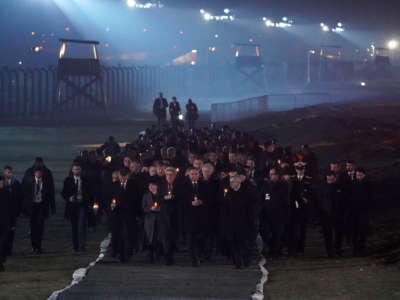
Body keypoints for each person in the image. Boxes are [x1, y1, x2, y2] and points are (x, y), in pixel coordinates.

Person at [220, 175, 252, 269]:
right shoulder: (228, 194)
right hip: (231, 224)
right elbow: (224, 209)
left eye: (233, 182)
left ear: (238, 183)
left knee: (244, 244)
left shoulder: (246, 193)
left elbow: (250, 209)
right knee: (233, 244)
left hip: (243, 223)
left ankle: (246, 260)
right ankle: (237, 262)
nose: (231, 184)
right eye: (230, 182)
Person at [22, 167, 56, 254]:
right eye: (37, 172)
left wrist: (52, 208)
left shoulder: (45, 183)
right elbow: (25, 196)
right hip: (33, 207)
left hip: (42, 206)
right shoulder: (30, 182)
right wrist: (24, 209)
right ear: (34, 173)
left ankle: (39, 246)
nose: (38, 174)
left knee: (40, 227)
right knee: (33, 227)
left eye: (40, 172)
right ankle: (34, 246)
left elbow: (50, 196)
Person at [110, 168, 140, 262]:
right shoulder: (114, 185)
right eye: (120, 176)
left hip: (129, 213)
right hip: (117, 214)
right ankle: (120, 253)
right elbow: (109, 197)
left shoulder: (133, 185)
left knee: (128, 234)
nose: (122, 178)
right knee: (119, 234)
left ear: (127, 176)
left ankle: (128, 253)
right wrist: (112, 205)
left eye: (124, 176)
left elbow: (136, 199)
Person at [61, 163, 92, 252]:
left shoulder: (86, 180)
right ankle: (76, 246)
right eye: (75, 169)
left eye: (78, 169)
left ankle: (82, 245)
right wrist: (69, 198)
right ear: (72, 170)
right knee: (74, 227)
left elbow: (90, 192)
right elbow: (63, 193)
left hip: (82, 205)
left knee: (81, 225)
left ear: (81, 170)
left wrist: (88, 201)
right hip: (72, 206)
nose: (76, 171)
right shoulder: (68, 180)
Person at [259, 168, 289, 258]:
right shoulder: (266, 185)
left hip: (279, 215)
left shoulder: (283, 186)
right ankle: (272, 249)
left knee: (277, 234)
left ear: (277, 175)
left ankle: (276, 252)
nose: (271, 176)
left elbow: (286, 202)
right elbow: (262, 198)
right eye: (270, 174)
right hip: (267, 215)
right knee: (267, 234)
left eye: (273, 174)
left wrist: (285, 214)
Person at [182, 167, 208, 267]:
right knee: (190, 239)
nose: (194, 176)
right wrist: (190, 203)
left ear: (199, 175)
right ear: (189, 175)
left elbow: (209, 198)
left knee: (201, 238)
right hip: (189, 216)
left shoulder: (204, 185)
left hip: (201, 217)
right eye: (192, 174)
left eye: (196, 174)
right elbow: (181, 200)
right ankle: (193, 258)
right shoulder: (184, 186)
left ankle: (199, 255)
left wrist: (202, 202)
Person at [318, 172, 347, 258]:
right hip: (326, 214)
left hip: (338, 214)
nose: (329, 181)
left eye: (331, 179)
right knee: (328, 234)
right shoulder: (323, 187)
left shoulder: (340, 187)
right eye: (328, 179)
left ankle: (338, 249)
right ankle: (329, 251)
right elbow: (319, 201)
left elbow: (344, 200)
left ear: (335, 178)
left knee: (338, 233)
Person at [288, 161, 312, 256]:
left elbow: (311, 193)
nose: (300, 171)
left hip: (303, 208)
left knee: (302, 229)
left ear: (304, 169)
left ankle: (301, 248)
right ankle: (294, 247)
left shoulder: (308, 180)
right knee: (293, 229)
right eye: (298, 169)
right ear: (295, 169)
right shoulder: (292, 179)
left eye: (301, 169)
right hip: (293, 208)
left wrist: (307, 200)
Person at [348, 168, 372, 257]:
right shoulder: (352, 183)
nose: (358, 177)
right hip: (353, 211)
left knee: (362, 231)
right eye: (357, 175)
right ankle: (355, 249)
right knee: (354, 231)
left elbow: (370, 198)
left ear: (364, 175)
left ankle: (362, 249)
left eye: (360, 175)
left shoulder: (368, 184)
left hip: (363, 211)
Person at [158, 167, 179, 265]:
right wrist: (164, 198)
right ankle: (167, 257)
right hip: (164, 215)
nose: (169, 177)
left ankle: (171, 253)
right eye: (167, 175)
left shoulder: (179, 185)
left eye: (171, 175)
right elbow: (158, 198)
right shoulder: (161, 185)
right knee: (165, 237)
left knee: (173, 237)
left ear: (175, 176)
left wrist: (174, 197)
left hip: (175, 215)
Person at [3, 166, 23, 257]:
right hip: (3, 212)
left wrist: (18, 211)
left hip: (12, 213)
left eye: (10, 172)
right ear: (4, 173)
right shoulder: (2, 183)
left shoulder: (16, 183)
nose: (8, 174)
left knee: (11, 232)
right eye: (7, 172)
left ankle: (9, 249)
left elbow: (19, 198)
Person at [142, 182, 162, 263]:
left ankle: (158, 254)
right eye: (149, 186)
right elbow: (143, 207)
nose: (151, 187)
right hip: (149, 220)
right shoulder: (146, 195)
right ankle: (150, 255)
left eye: (152, 186)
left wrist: (159, 209)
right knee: (150, 238)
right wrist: (150, 209)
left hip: (159, 219)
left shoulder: (160, 195)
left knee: (158, 237)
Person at [0, 176, 12, 272]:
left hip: (5, 222)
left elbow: (9, 208)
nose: (2, 184)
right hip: (4, 221)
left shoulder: (6, 192)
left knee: (3, 242)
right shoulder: (6, 192)